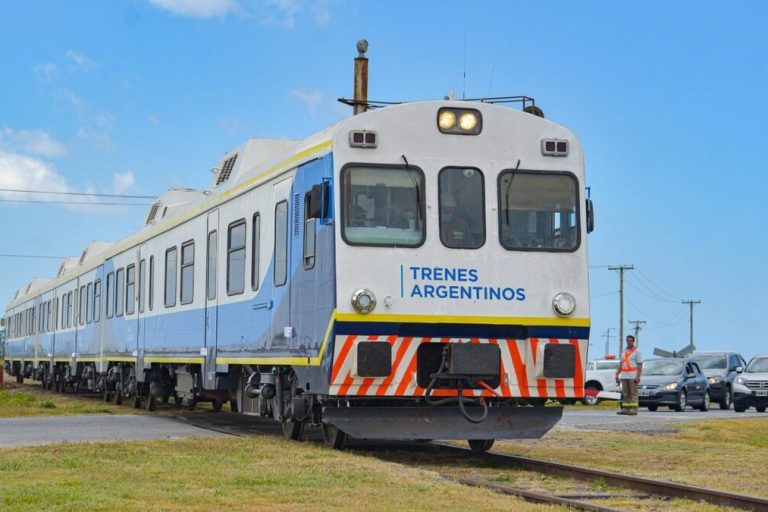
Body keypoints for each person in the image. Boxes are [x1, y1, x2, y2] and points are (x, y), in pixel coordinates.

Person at [615, 335, 643, 415]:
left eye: (630, 341)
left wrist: (638, 376)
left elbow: (640, 365)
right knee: (625, 393)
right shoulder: (624, 351)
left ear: (633, 341)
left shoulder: (637, 351)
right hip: (624, 376)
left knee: (633, 393)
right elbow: (621, 364)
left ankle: (634, 409)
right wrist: (617, 374)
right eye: (628, 340)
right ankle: (625, 409)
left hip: (633, 376)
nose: (629, 342)